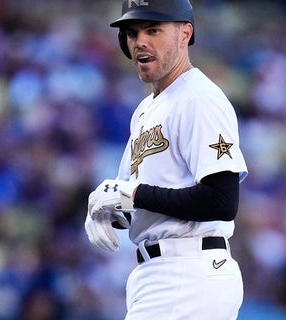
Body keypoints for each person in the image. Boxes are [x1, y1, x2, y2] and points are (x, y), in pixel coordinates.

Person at [84, 0, 248, 319]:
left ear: (184, 33)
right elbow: (140, 200)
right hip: (162, 274)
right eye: (132, 32)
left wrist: (134, 195)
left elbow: (221, 201)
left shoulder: (198, 98)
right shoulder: (146, 111)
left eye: (153, 29)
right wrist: (107, 208)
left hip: (187, 272)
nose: (140, 41)